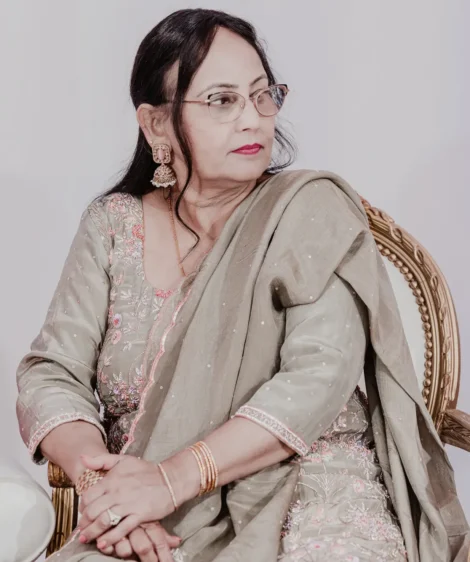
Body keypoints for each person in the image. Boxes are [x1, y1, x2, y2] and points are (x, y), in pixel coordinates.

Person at [16, 8, 469, 562]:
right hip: (148, 512)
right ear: (156, 124)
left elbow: (318, 376)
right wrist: (104, 490)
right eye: (222, 100)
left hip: (310, 490)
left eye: (262, 95)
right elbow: (51, 374)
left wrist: (173, 478)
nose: (254, 119)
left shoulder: (307, 212)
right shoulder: (112, 226)